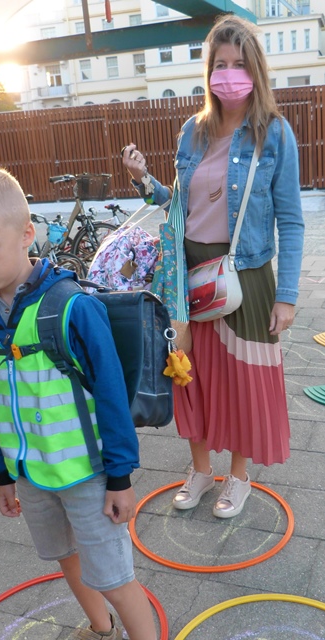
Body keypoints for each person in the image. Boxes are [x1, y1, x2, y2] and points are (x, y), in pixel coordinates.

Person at [0, 168, 156, 640]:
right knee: (65, 558)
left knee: (115, 579)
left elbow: (112, 397)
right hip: (30, 474)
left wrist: (121, 478)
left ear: (25, 234)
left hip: (89, 476)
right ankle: (100, 628)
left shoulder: (73, 307)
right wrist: (2, 472)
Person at [122, 14, 304, 519]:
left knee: (243, 383)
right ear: (208, 72)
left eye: (238, 64)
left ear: (255, 70)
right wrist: (144, 181)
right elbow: (180, 207)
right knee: (190, 377)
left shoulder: (274, 133)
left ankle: (238, 476)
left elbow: (291, 221)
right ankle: (201, 470)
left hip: (245, 276)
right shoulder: (192, 131)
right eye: (219, 64)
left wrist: (287, 296)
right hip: (189, 274)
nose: (228, 74)